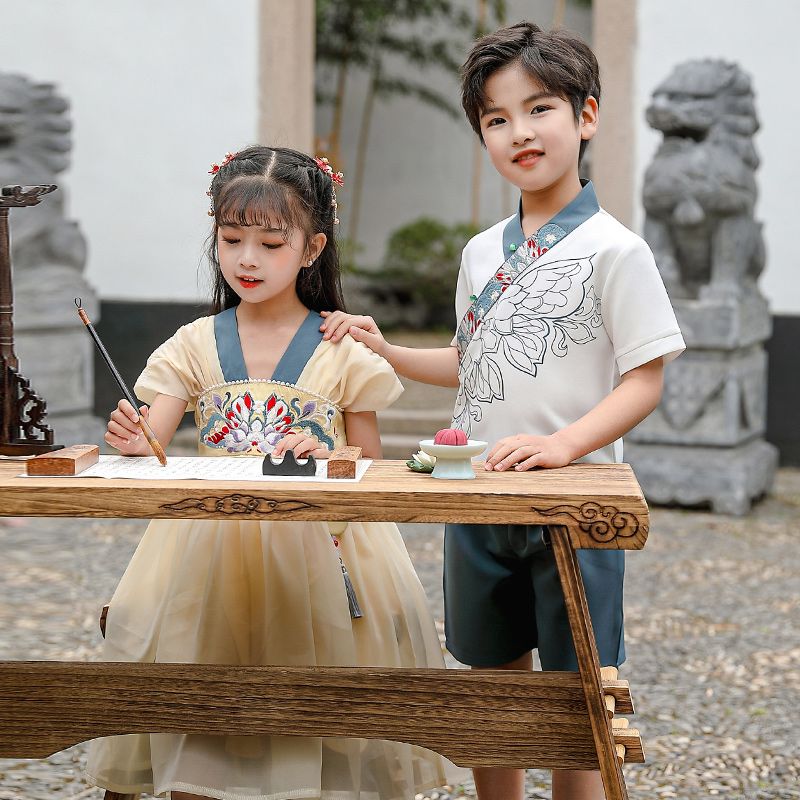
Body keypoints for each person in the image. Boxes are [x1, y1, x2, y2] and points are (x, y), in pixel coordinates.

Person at [320, 21, 685, 800]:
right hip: (477, 494)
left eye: (539, 108)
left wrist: (563, 448)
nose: (519, 131)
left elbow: (644, 378)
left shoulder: (619, 251)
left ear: (586, 115)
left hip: (573, 505)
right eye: (495, 118)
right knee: (489, 685)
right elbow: (469, 360)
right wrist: (388, 351)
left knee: (573, 697)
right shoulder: (480, 252)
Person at [85, 146, 447, 800]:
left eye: (271, 242)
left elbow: (369, 458)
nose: (246, 258)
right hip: (207, 547)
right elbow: (154, 436)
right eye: (231, 239)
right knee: (201, 705)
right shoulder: (192, 344)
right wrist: (133, 438)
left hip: (318, 547)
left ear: (312, 249)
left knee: (313, 709)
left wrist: (329, 456)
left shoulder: (343, 347)